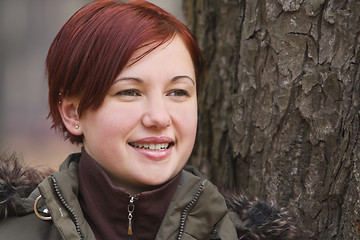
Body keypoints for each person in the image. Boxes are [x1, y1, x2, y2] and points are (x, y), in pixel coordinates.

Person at [0, 1, 301, 239]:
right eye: (130, 91)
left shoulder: (243, 235)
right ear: (73, 113)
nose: (159, 117)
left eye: (178, 92)